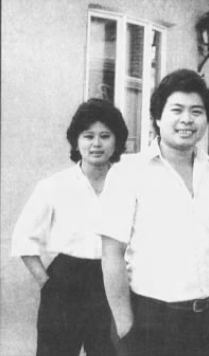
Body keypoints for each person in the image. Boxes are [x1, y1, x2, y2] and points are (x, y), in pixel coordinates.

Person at [95, 69, 209, 356]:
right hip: (151, 321)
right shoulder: (128, 172)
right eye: (177, 110)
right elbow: (112, 254)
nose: (187, 119)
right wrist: (125, 327)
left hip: (207, 321)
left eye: (196, 111)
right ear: (158, 118)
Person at [12, 98, 128, 356]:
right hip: (65, 282)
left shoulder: (128, 186)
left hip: (113, 281)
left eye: (105, 136)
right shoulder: (54, 186)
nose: (96, 144)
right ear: (76, 141)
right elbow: (23, 239)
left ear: (117, 141)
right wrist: (47, 283)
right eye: (88, 136)